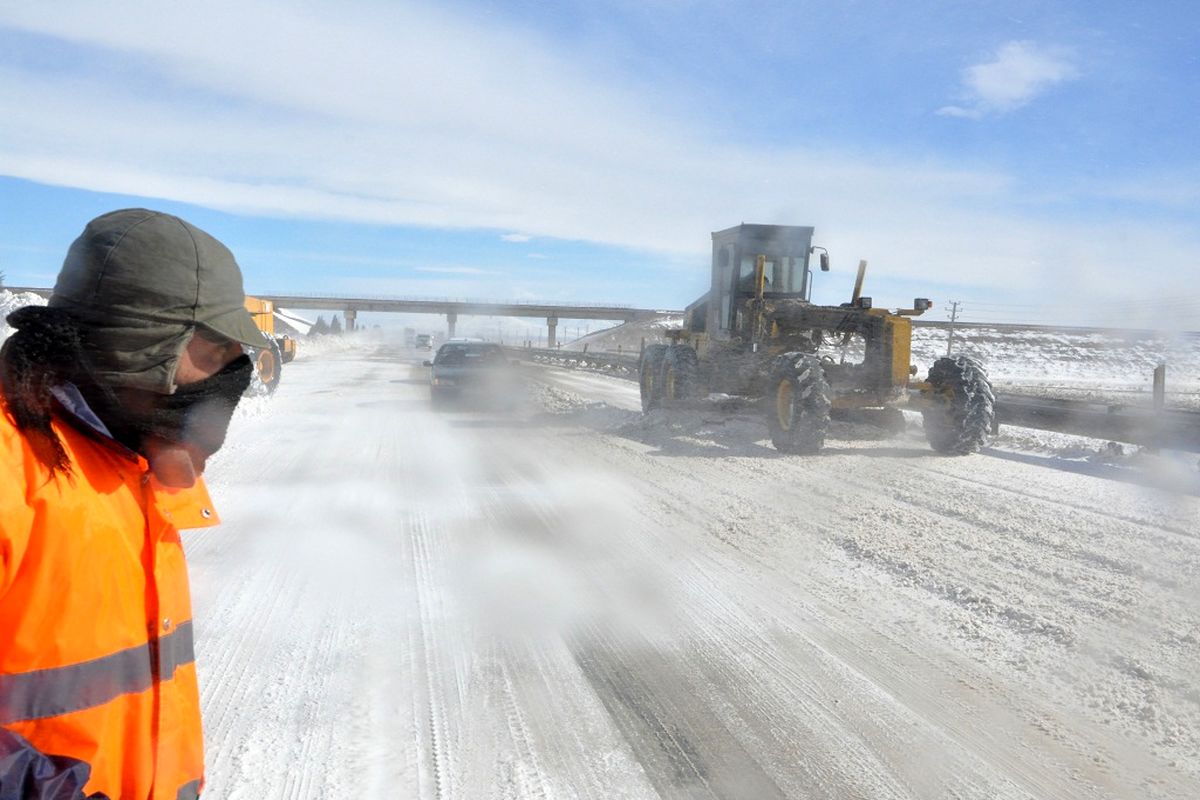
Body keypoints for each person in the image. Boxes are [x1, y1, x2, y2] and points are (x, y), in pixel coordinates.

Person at [0, 209, 265, 799]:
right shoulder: (11, 470)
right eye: (216, 348)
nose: (230, 376)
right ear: (138, 344)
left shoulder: (132, 458)